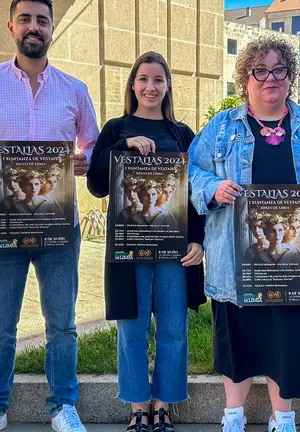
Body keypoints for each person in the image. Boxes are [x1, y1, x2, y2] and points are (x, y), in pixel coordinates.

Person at [188, 36, 300, 432]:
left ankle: (283, 417)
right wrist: (212, 189)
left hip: (297, 256)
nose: (269, 78)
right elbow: (192, 171)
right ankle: (233, 415)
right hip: (236, 255)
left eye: (279, 70)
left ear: (290, 76)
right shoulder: (221, 128)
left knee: (288, 337)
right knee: (238, 335)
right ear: (246, 78)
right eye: (260, 70)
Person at [0, 0, 100, 430]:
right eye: (26, 19)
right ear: (11, 27)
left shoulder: (74, 88)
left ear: (52, 29)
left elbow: (94, 145)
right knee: (0, 325)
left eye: (42, 20)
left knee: (62, 323)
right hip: (3, 226)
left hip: (60, 226)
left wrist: (85, 160)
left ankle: (63, 405)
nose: (33, 27)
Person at [86, 51, 206, 432]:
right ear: (133, 85)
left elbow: (195, 193)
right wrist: (122, 148)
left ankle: (162, 404)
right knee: (132, 329)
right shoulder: (116, 128)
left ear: (167, 86)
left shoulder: (182, 134)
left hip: (174, 249)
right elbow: (95, 183)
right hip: (129, 248)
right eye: (143, 79)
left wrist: (198, 240)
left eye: (158, 79)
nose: (150, 87)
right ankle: (138, 404)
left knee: (173, 328)